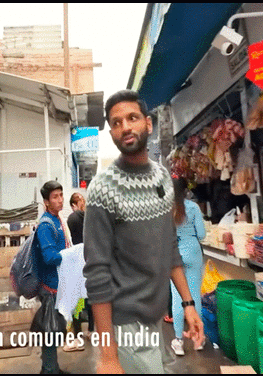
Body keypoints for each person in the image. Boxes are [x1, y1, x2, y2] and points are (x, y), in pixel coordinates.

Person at [83, 90, 204, 374]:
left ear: (148, 124)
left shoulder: (162, 177)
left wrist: (188, 304)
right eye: (116, 122)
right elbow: (96, 273)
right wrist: (108, 356)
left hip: (155, 318)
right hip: (126, 323)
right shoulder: (103, 190)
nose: (125, 126)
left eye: (132, 118)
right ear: (111, 133)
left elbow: (169, 246)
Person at [33, 180, 71, 374]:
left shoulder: (58, 219)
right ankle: (49, 370)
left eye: (61, 195)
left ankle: (51, 367)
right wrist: (70, 256)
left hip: (58, 285)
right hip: (49, 287)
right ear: (46, 202)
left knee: (55, 329)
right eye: (55, 197)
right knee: (50, 330)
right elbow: (49, 257)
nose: (60, 200)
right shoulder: (46, 225)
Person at [169, 176, 207, 356]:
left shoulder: (166, 209)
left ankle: (178, 341)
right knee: (194, 298)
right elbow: (201, 234)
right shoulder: (193, 207)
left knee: (178, 298)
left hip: (174, 254)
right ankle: (198, 339)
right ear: (186, 190)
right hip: (193, 252)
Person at [63, 192, 94, 352]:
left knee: (76, 299)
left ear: (73, 205)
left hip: (77, 260)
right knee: (89, 297)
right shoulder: (91, 217)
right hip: (91, 260)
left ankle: (76, 336)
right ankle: (91, 330)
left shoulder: (72, 219)